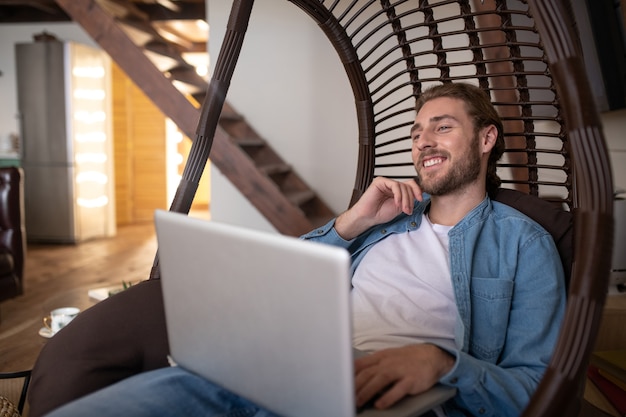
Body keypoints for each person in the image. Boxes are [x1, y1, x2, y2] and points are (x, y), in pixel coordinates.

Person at [44, 82, 566, 417]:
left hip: (381, 396)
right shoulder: (383, 225)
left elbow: (538, 387)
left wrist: (439, 362)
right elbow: (287, 280)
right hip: (275, 364)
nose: (423, 141)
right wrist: (352, 222)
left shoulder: (523, 244)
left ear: (486, 139)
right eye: (416, 132)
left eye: (443, 127)